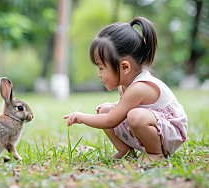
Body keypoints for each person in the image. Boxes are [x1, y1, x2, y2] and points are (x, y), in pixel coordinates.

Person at [63, 17, 188, 162]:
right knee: (105, 111)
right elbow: (123, 110)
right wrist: (112, 107)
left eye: (101, 68)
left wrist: (82, 117)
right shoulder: (124, 85)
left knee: (132, 116)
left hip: (171, 132)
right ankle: (125, 151)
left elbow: (110, 121)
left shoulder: (140, 87)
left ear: (124, 67)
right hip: (153, 125)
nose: (99, 74)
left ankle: (155, 153)